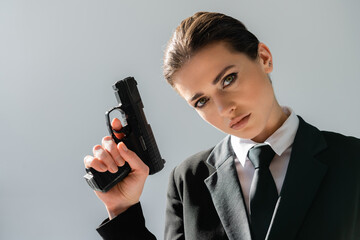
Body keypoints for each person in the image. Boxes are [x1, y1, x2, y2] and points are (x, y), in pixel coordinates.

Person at [84, 12, 360, 240]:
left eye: (228, 79)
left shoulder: (351, 160)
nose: (223, 108)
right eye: (202, 101)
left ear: (264, 58)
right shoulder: (188, 180)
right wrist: (121, 209)